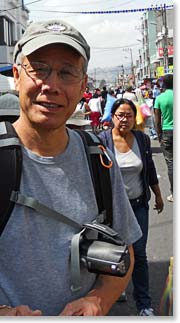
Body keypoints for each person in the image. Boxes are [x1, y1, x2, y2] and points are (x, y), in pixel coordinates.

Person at [0, 19, 141, 316]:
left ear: (83, 85)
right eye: (38, 69)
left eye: (67, 72)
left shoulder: (99, 158)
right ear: (17, 76)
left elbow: (124, 248)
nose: (51, 86)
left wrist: (99, 300)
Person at [99, 98, 164, 316]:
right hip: (113, 208)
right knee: (115, 253)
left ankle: (144, 305)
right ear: (112, 116)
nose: (124, 119)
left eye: (128, 115)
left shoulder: (142, 139)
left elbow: (150, 168)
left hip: (138, 206)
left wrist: (158, 194)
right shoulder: (102, 141)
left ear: (134, 117)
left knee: (139, 254)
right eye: (120, 115)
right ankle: (116, 288)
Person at [154, 74, 173, 202]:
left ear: (163, 84)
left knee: (171, 164)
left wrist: (159, 135)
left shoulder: (160, 98)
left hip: (167, 133)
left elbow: (157, 121)